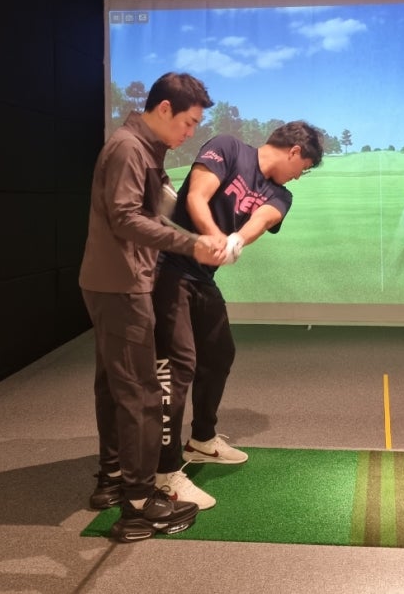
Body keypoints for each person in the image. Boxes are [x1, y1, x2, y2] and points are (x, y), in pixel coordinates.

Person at [79, 72, 227, 543]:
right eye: (188, 122)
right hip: (120, 284)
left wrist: (199, 232)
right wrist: (192, 244)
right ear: (164, 109)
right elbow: (125, 218)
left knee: (115, 385)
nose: (191, 132)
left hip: (115, 281)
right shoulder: (128, 148)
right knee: (141, 392)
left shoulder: (147, 148)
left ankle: (111, 479)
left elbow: (155, 205)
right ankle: (141, 505)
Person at [152, 121, 324, 497]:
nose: (300, 176)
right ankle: (163, 472)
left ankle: (201, 440)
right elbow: (196, 197)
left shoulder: (281, 194)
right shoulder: (228, 148)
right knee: (178, 367)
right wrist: (214, 235)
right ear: (295, 151)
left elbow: (263, 218)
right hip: (168, 269)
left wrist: (235, 240)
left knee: (219, 354)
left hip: (201, 278)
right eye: (304, 167)